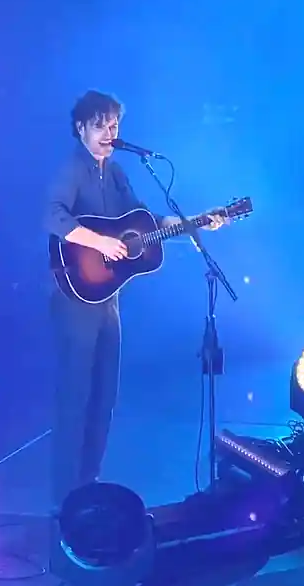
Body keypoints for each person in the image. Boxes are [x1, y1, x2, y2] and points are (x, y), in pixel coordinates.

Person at [44, 90, 225, 509]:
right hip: (74, 298)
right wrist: (99, 242)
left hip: (107, 300)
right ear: (81, 128)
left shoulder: (119, 172)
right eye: (101, 125)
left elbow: (146, 221)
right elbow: (52, 216)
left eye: (115, 125)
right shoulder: (71, 169)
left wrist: (195, 222)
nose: (110, 133)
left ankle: (88, 486)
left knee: (104, 394)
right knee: (74, 398)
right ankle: (63, 500)